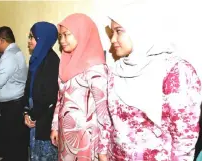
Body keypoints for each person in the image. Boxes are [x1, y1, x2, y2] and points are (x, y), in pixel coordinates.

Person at [106, 2, 201, 160]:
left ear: (141, 29)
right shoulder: (116, 70)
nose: (113, 40)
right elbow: (111, 123)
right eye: (112, 33)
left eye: (118, 31)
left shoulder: (175, 71)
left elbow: (184, 137)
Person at [50, 14, 109, 161]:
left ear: (81, 33)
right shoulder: (66, 63)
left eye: (66, 35)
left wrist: (104, 148)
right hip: (66, 133)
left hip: (86, 136)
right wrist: (55, 126)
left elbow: (103, 112)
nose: (62, 41)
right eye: (60, 36)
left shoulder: (96, 67)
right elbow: (60, 98)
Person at [0, 26, 28, 161]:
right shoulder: (14, 52)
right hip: (12, 103)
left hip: (12, 105)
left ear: (1, 40)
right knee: (11, 136)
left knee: (13, 136)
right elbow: (5, 76)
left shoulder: (9, 55)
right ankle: (10, 156)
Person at [23, 22, 59, 161]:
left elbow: (49, 97)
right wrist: (26, 112)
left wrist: (33, 115)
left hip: (44, 120)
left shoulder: (52, 62)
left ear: (42, 39)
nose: (29, 41)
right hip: (33, 117)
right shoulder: (36, 59)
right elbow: (28, 89)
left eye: (32, 37)